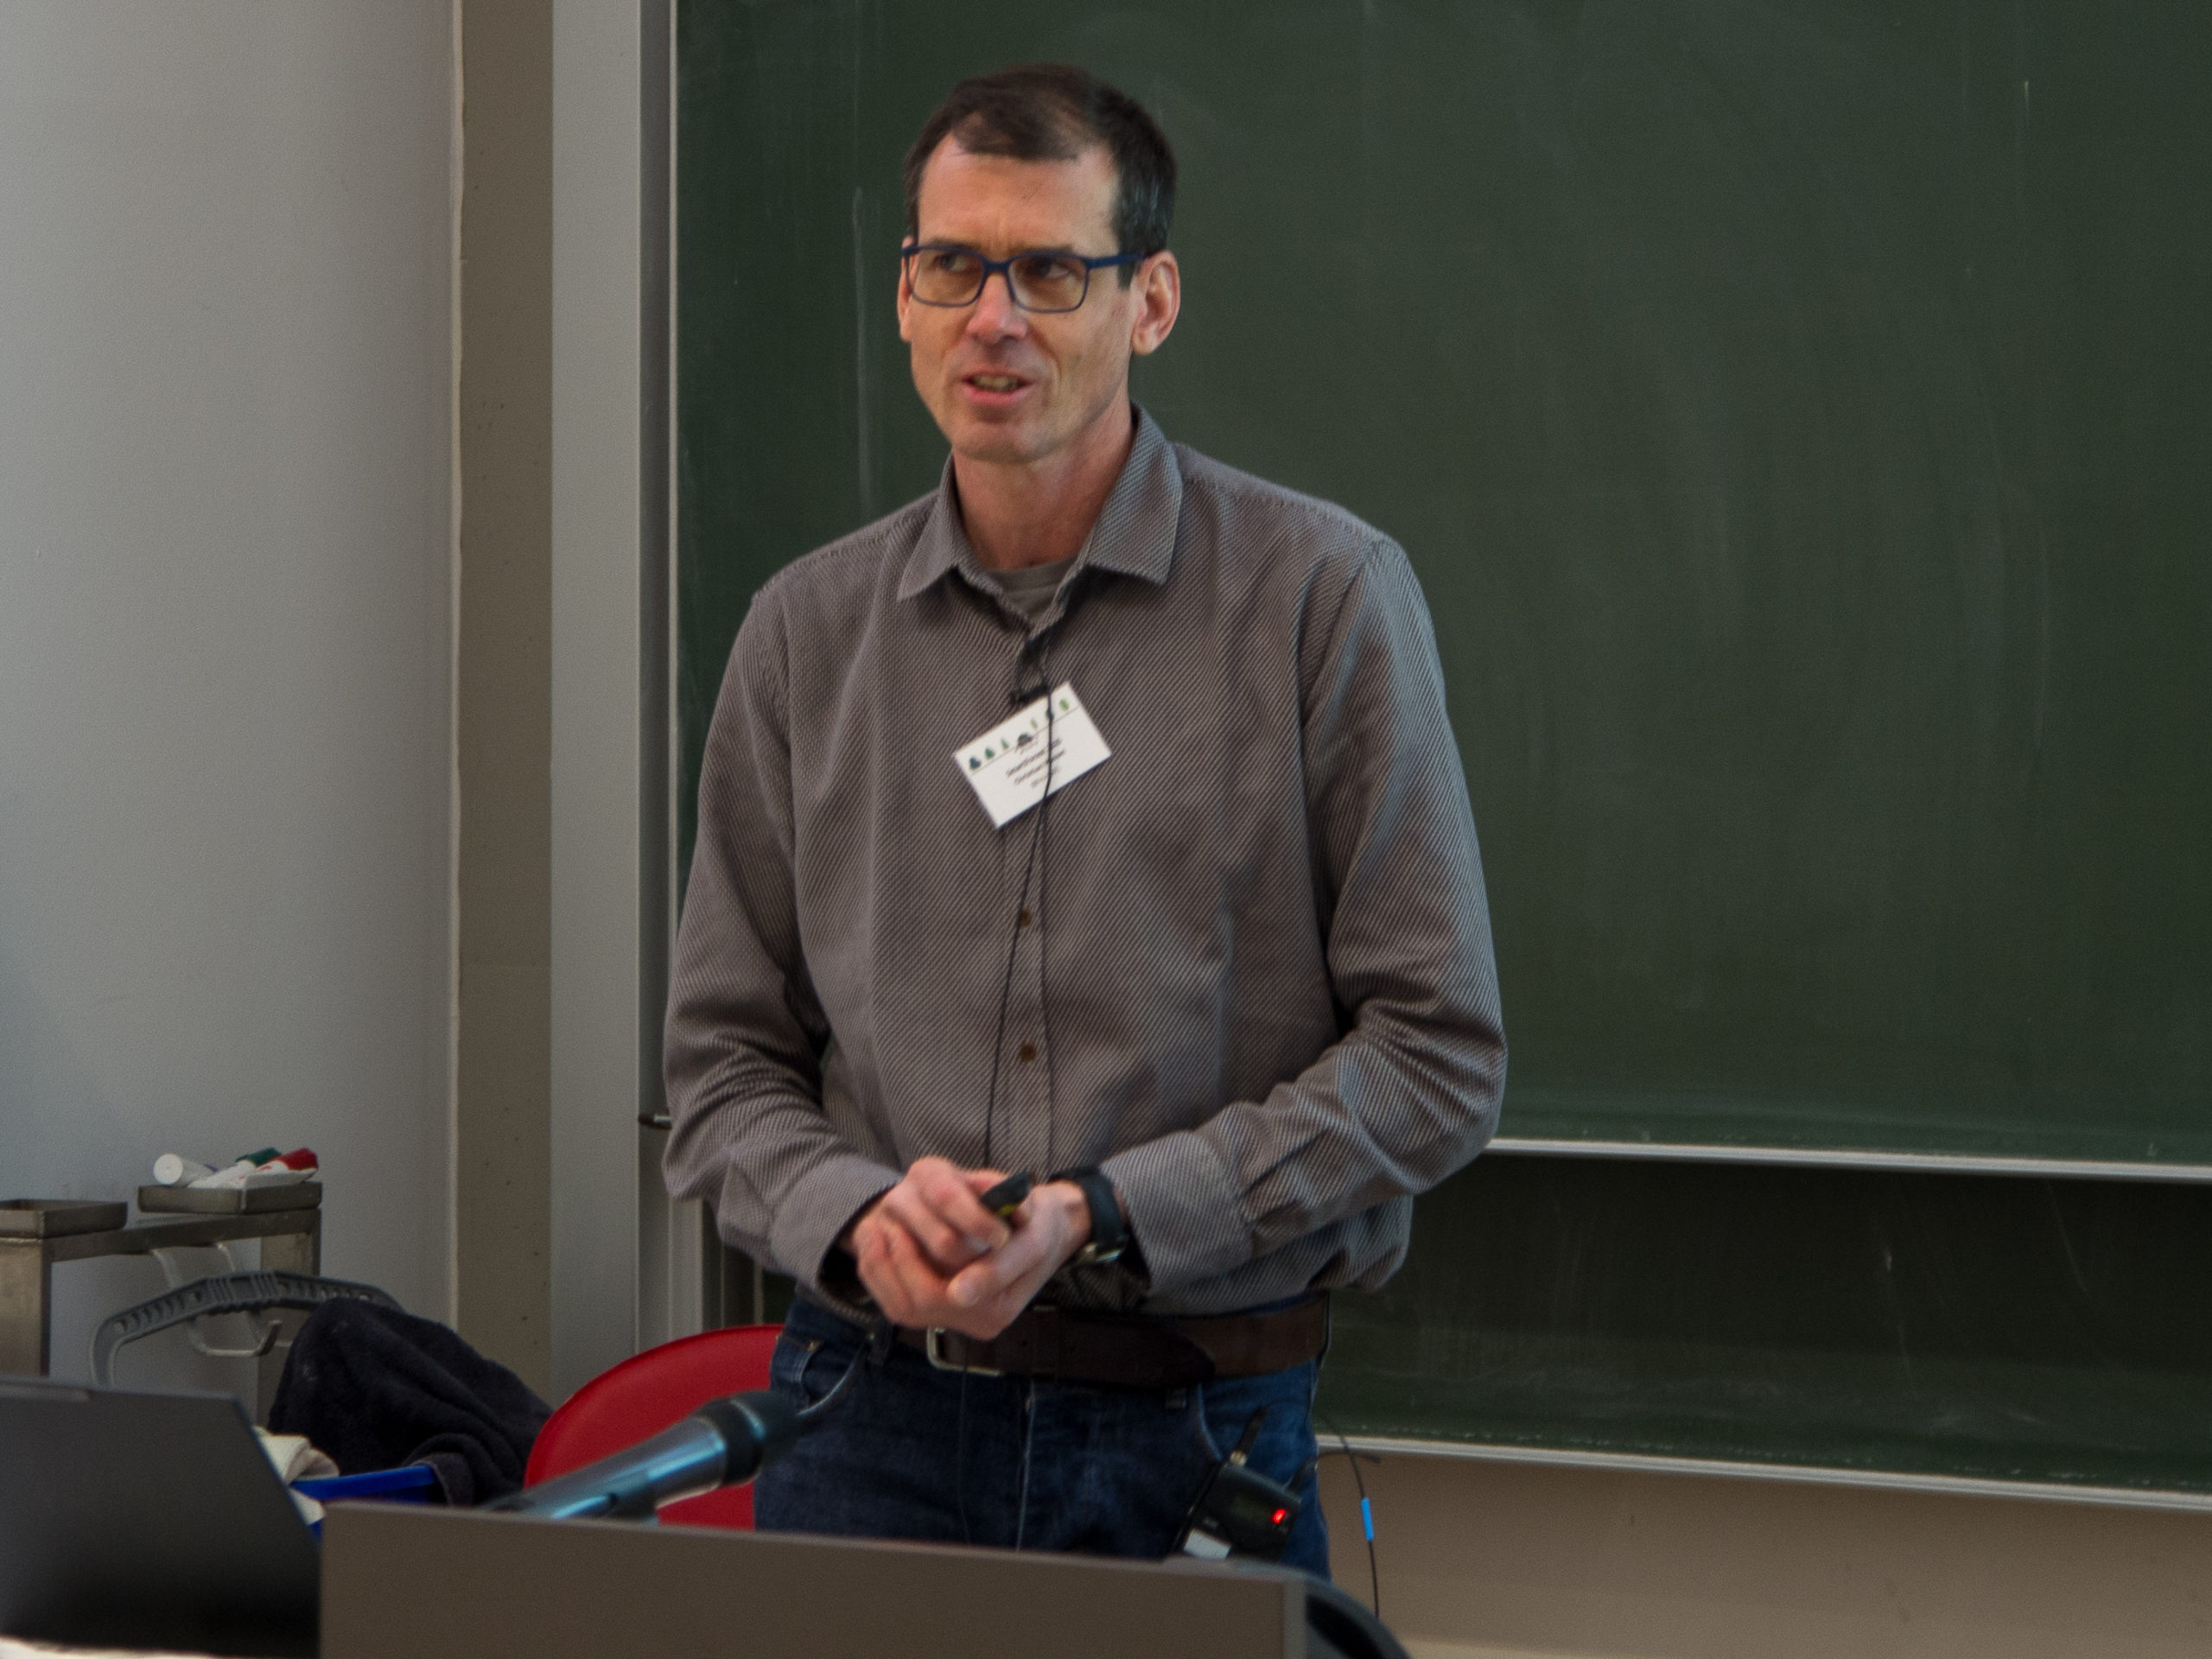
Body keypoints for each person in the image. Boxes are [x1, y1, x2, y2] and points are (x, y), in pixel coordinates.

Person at [663, 63, 1504, 1573]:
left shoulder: (1322, 603)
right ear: (905, 296)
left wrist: (1109, 1214)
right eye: (952, 266)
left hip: (1193, 1427)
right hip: (865, 1422)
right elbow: (721, 1068)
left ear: (1151, 301)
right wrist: (858, 1218)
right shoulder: (804, 636)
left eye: (1049, 272)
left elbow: (1436, 1058)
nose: (992, 318)